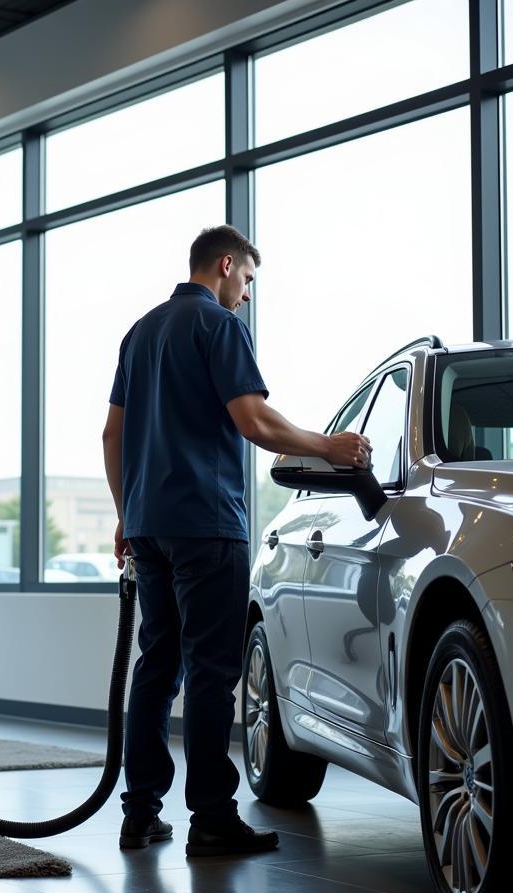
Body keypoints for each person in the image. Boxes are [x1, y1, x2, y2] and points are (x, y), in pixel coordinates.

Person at [102, 225, 371, 854]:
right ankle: (212, 819)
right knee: (209, 671)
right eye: (247, 279)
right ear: (226, 265)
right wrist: (328, 446)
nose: (246, 294)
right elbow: (252, 420)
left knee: (156, 667)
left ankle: (139, 813)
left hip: (148, 524)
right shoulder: (219, 327)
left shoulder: (138, 333)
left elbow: (111, 436)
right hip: (205, 522)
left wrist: (126, 510)